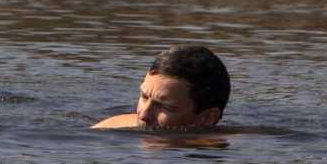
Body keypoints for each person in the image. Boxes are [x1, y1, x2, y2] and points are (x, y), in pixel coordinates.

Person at [92, 45, 230, 130]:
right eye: (144, 97)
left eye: (165, 107)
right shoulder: (108, 128)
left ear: (208, 118)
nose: (143, 115)